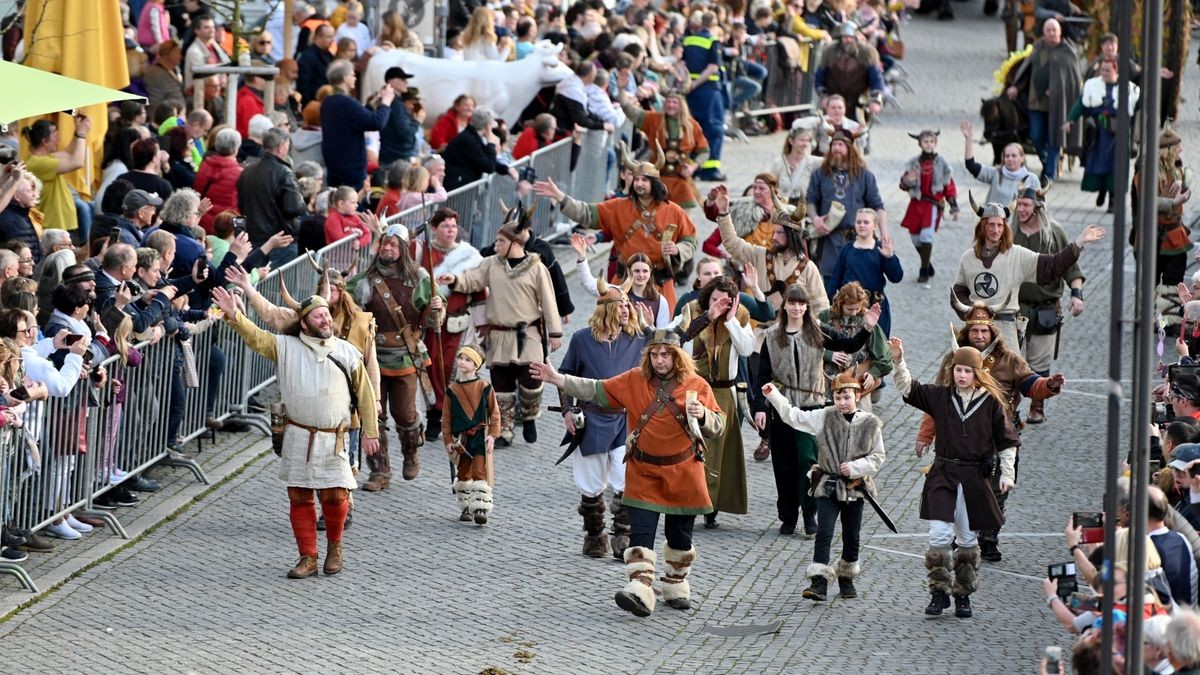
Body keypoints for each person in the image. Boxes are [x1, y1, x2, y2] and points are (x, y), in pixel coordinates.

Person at [530, 329, 726, 618]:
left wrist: (704, 416)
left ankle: (674, 584)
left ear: (677, 357)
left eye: (666, 355)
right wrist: (558, 379)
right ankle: (641, 590)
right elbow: (596, 389)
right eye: (655, 355)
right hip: (644, 471)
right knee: (641, 535)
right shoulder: (634, 379)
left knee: (680, 537)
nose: (659, 360)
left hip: (684, 472)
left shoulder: (696, 386)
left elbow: (719, 426)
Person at [212, 287, 379, 579]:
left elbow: (365, 394)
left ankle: (335, 548)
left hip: (334, 437)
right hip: (298, 435)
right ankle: (308, 557)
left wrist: (370, 432)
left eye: (327, 314)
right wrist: (234, 315)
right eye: (318, 316)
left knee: (336, 496)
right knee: (299, 497)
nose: (326, 320)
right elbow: (256, 337)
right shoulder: (285, 347)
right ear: (304, 323)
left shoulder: (347, 351)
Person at [917, 302, 1063, 562]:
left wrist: (1048, 385)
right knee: (962, 489)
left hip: (999, 435)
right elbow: (935, 402)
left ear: (992, 331)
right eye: (975, 332)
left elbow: (1032, 385)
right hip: (961, 438)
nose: (980, 336)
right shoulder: (954, 361)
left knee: (997, 490)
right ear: (967, 333)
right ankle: (961, 534)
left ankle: (989, 536)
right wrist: (925, 435)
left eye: (984, 331)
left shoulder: (1009, 360)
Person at [890, 338, 1020, 619]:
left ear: (977, 373)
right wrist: (899, 360)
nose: (962, 375)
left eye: (967, 371)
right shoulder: (940, 396)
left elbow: (1008, 442)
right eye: (958, 370)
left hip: (974, 477)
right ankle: (938, 591)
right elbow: (908, 388)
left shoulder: (991, 403)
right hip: (944, 474)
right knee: (938, 535)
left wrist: (1007, 474)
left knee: (966, 538)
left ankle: (963, 593)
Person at [754, 284, 879, 536]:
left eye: (801, 303)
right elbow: (763, 375)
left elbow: (850, 344)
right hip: (782, 406)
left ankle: (809, 512)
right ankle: (787, 516)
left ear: (807, 306)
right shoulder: (772, 335)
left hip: (811, 405)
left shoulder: (818, 331)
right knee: (784, 464)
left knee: (808, 462)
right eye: (792, 303)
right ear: (785, 305)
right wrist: (760, 407)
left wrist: (867, 326)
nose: (797, 307)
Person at [438, 206, 562, 447]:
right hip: (499, 334)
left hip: (529, 335)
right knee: (502, 384)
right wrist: (455, 280)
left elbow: (548, 300)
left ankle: (528, 416)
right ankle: (504, 430)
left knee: (531, 381)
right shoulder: (491, 264)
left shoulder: (537, 267)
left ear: (514, 243)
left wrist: (555, 333)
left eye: (500, 241)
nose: (495, 245)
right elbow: (473, 279)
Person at [764, 369, 886, 601]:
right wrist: (774, 396)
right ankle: (819, 582)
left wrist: (856, 468)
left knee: (852, 535)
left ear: (857, 396)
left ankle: (846, 577)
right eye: (838, 397)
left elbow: (878, 457)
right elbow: (795, 417)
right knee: (824, 533)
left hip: (855, 487)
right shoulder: (825, 416)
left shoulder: (870, 423)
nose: (842, 402)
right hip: (828, 485)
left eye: (847, 397)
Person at [348, 224, 445, 488]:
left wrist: (436, 309)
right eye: (384, 244)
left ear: (403, 249)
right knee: (372, 415)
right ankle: (379, 471)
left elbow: (432, 315)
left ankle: (411, 452)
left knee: (404, 414)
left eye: (392, 245)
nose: (387, 249)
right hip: (372, 358)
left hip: (405, 357)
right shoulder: (364, 281)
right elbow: (344, 299)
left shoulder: (419, 279)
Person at [557, 278, 647, 559]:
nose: (625, 309)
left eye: (627, 305)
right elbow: (565, 378)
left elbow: (675, 339)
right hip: (593, 419)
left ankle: (623, 534)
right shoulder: (582, 339)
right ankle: (595, 535)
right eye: (620, 305)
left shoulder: (637, 337)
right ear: (605, 308)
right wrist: (567, 410)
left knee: (627, 479)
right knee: (591, 483)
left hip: (625, 419)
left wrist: (710, 314)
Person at [535, 160, 698, 312]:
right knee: (613, 331)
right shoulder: (618, 206)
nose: (639, 183)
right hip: (624, 284)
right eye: (637, 179)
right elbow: (587, 213)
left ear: (655, 183)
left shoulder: (673, 211)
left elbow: (690, 240)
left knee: (661, 336)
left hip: (660, 284)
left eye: (645, 180)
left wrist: (678, 249)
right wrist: (561, 198)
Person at [952, 196, 1103, 348]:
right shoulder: (968, 258)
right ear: (983, 227)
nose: (996, 230)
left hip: (1006, 331)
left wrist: (1079, 243)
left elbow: (1052, 265)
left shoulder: (1017, 255)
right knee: (966, 368)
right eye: (991, 225)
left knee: (1011, 370)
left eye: (1000, 225)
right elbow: (958, 294)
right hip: (976, 331)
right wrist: (973, 313)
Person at [674, 276, 755, 529]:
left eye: (725, 301)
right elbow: (677, 338)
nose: (720, 304)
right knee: (688, 446)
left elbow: (747, 349)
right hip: (693, 390)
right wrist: (708, 316)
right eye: (715, 299)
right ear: (708, 297)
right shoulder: (691, 312)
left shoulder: (740, 317)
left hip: (723, 394)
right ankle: (686, 500)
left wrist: (730, 320)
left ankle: (712, 506)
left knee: (719, 452)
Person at [1010, 187, 1084, 424]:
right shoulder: (1008, 233)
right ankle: (1011, 405)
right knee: (1011, 359)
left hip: (1045, 310)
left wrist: (1076, 294)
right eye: (1018, 204)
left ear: (1037, 208)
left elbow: (1071, 268)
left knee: (1039, 362)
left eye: (1025, 205)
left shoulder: (1054, 233)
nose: (1021, 209)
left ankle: (1037, 404)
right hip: (1013, 308)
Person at [411, 208, 486, 440]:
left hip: (457, 322)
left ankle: (451, 414)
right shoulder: (423, 252)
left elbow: (480, 289)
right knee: (431, 368)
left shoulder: (469, 255)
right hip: (430, 323)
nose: (451, 230)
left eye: (453, 226)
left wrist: (483, 322)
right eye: (445, 226)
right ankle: (434, 414)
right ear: (434, 229)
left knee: (454, 367)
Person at [713, 188, 827, 313]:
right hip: (763, 329)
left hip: (795, 330)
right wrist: (724, 213)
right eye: (774, 232)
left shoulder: (808, 268)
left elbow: (820, 307)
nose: (774, 237)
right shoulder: (760, 255)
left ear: (792, 236)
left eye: (780, 233)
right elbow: (733, 244)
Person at [807, 128, 887, 286]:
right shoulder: (820, 174)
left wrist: (884, 235)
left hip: (856, 239)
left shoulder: (864, 175)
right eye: (834, 144)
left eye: (840, 144)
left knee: (858, 284)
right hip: (829, 239)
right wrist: (815, 219)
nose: (836, 148)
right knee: (830, 283)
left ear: (850, 148)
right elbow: (810, 200)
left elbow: (877, 206)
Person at [1006, 19, 1083, 184]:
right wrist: (1016, 87)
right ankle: (1048, 161)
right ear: (1044, 32)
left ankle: (1049, 174)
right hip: (1036, 103)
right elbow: (1026, 70)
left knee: (1054, 138)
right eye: (1048, 30)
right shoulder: (1038, 47)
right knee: (1036, 135)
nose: (1051, 33)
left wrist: (1056, 90)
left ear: (1060, 32)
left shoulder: (1067, 52)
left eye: (1054, 30)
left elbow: (1072, 81)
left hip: (1058, 106)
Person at [1134, 126, 1192, 337]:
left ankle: (1166, 321)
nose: (1180, 150)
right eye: (1177, 147)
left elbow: (1188, 184)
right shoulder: (1146, 171)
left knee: (1173, 280)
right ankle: (1146, 319)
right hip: (1152, 234)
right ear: (1166, 149)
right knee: (1150, 279)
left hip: (1174, 234)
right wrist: (1173, 201)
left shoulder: (1176, 168)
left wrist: (1183, 186)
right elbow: (1147, 200)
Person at [1064, 59, 1139, 211]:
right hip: (1099, 134)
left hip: (1119, 134)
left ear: (1116, 71)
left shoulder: (1129, 88)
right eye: (1103, 70)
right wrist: (1070, 120)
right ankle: (1102, 190)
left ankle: (1113, 200)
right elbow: (1081, 104)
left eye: (1108, 70)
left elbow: (1140, 103)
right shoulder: (1092, 85)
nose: (1104, 73)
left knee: (1116, 166)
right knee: (1099, 163)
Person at [619, 90, 708, 208]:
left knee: (682, 222)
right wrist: (621, 89)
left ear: (682, 105)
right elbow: (630, 111)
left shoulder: (692, 126)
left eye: (675, 102)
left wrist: (692, 167)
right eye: (669, 102)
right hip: (656, 179)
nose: (671, 105)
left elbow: (704, 151)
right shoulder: (654, 120)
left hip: (681, 181)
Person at [443, 343, 499, 525]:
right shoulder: (452, 389)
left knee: (479, 471)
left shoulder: (484, 386)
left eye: (467, 359)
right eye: (461, 358)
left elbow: (495, 412)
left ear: (476, 365)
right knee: (463, 473)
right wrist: (447, 440)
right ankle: (466, 506)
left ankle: (481, 507)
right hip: (461, 439)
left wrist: (492, 435)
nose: (462, 362)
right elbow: (446, 418)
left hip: (480, 436)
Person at [237, 128, 306, 267]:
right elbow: (293, 207)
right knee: (281, 285)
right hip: (280, 241)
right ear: (281, 147)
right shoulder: (284, 173)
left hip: (253, 239)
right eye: (287, 147)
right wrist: (303, 202)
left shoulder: (247, 171)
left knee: (256, 284)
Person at [321, 60, 393, 189]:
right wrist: (386, 103)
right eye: (352, 74)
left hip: (335, 166)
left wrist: (372, 105)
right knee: (354, 206)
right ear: (344, 78)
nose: (355, 77)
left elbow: (356, 120)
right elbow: (376, 123)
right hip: (351, 168)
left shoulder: (328, 102)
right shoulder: (346, 102)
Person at [828, 209, 902, 336]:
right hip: (850, 307)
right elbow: (836, 277)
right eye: (859, 222)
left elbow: (896, 277)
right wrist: (832, 301)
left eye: (866, 222)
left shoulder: (881, 249)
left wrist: (889, 257)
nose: (862, 225)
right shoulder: (847, 249)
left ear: (874, 226)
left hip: (875, 305)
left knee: (877, 346)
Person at [899, 129, 958, 285]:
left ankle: (923, 271)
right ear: (920, 144)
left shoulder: (942, 163)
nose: (929, 144)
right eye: (925, 141)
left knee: (926, 236)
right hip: (916, 203)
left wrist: (954, 206)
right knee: (915, 238)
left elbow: (948, 186)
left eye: (931, 141)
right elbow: (903, 185)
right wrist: (907, 180)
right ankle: (928, 263)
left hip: (932, 204)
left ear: (935, 143)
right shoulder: (913, 163)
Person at [23, 116, 91, 236]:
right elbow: (76, 162)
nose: (58, 139)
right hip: (54, 227)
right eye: (55, 134)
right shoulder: (37, 163)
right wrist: (81, 135)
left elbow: (69, 153)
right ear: (45, 141)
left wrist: (77, 130)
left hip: (59, 225)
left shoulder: (42, 158)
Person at [682, 11, 728, 181]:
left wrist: (687, 84)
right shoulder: (712, 41)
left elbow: (682, 64)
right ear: (714, 23)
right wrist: (696, 83)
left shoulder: (688, 40)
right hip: (708, 90)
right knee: (714, 129)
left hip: (691, 92)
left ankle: (694, 167)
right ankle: (710, 169)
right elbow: (713, 68)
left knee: (695, 128)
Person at [813, 23, 885, 123]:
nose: (848, 40)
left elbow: (877, 78)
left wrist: (876, 100)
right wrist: (823, 96)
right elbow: (819, 77)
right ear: (840, 38)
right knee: (832, 132)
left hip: (858, 102)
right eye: (845, 37)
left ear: (856, 37)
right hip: (835, 102)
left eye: (851, 37)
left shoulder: (868, 53)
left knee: (858, 133)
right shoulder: (829, 52)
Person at [960, 120, 1041, 205]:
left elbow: (1039, 205)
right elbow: (971, 165)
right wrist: (968, 139)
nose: (1010, 158)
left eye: (1014, 156)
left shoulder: (1031, 179)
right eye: (1007, 156)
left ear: (1022, 158)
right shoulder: (996, 174)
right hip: (993, 217)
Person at [442, 108, 516, 191]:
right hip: (457, 188)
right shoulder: (469, 140)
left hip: (461, 186)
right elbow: (489, 167)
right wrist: (491, 144)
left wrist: (506, 169)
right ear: (488, 126)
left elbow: (485, 158)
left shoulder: (472, 137)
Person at [194, 127, 242, 234]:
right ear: (235, 149)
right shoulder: (239, 173)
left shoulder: (204, 166)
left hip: (204, 223)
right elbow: (239, 205)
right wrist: (240, 231)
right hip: (226, 226)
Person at [769, 124, 824, 204]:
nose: (805, 144)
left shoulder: (814, 162)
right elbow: (769, 185)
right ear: (791, 141)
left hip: (803, 209)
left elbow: (833, 162)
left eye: (808, 140)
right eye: (802, 140)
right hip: (783, 207)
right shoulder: (779, 163)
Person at [378, 67, 421, 167]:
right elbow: (405, 135)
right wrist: (417, 121)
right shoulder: (397, 104)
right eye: (403, 79)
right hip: (397, 160)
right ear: (393, 81)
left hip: (389, 157)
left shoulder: (386, 100)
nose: (406, 83)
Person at [297, 24, 336, 104]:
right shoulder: (308, 56)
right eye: (329, 37)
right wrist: (309, 102)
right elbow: (303, 83)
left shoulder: (329, 55)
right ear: (318, 37)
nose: (332, 40)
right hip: (314, 102)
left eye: (333, 37)